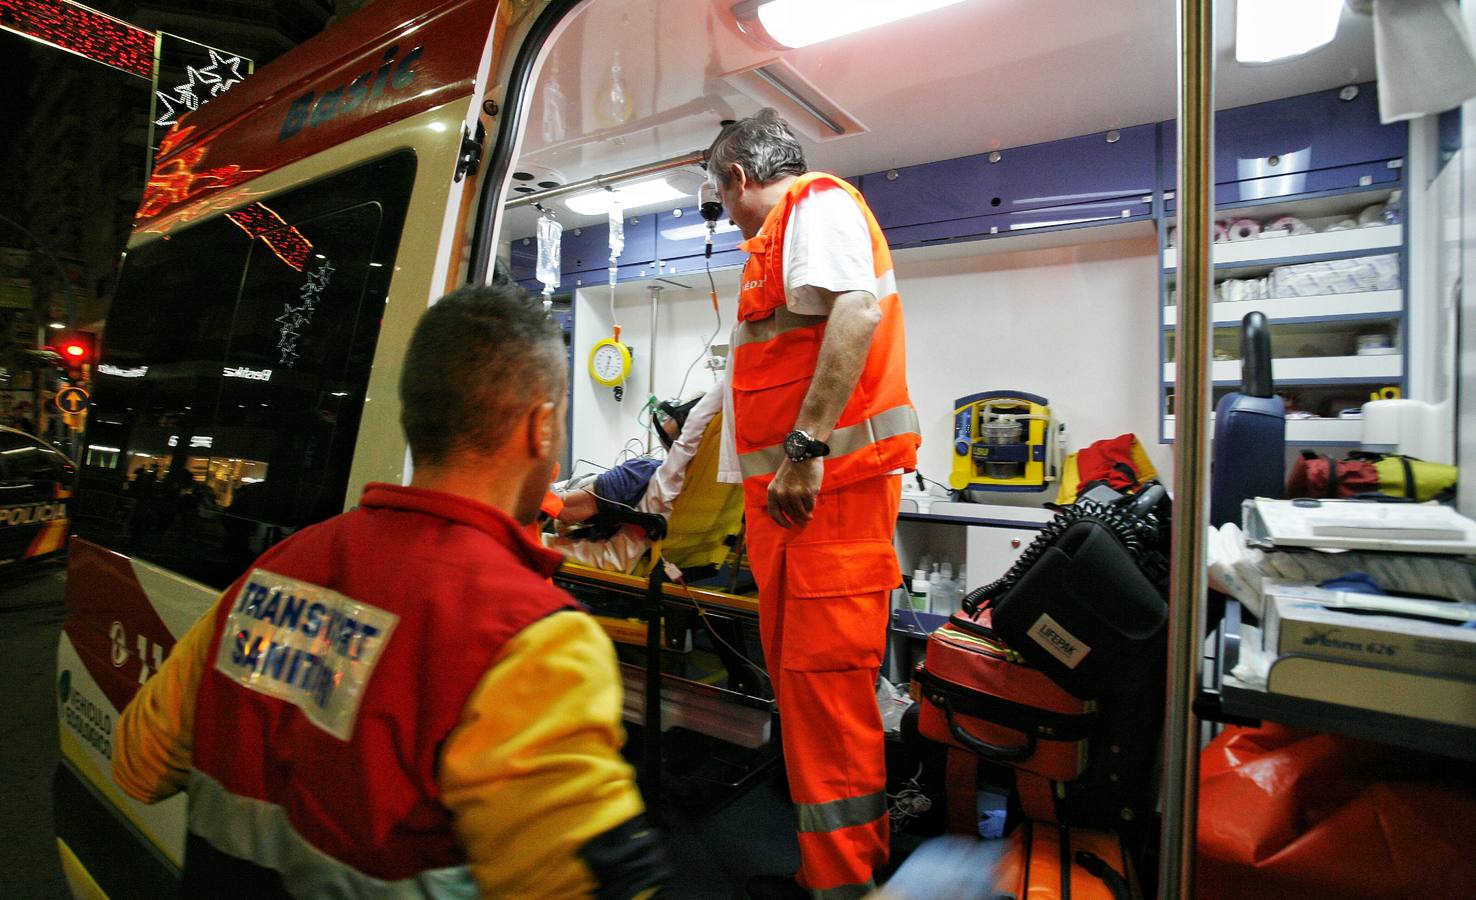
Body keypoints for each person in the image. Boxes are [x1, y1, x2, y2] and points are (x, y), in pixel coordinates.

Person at [112, 283, 669, 898]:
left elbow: (138, 761)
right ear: (541, 426)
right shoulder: (534, 640)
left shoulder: (272, 572)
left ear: (416, 419)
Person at [706, 109, 921, 899]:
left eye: (721, 196)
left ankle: (843, 885)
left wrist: (804, 450)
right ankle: (828, 873)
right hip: (795, 513)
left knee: (828, 704)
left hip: (823, 501)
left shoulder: (816, 204)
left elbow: (855, 312)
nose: (725, 215)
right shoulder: (777, 243)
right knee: (810, 698)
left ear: (737, 177)